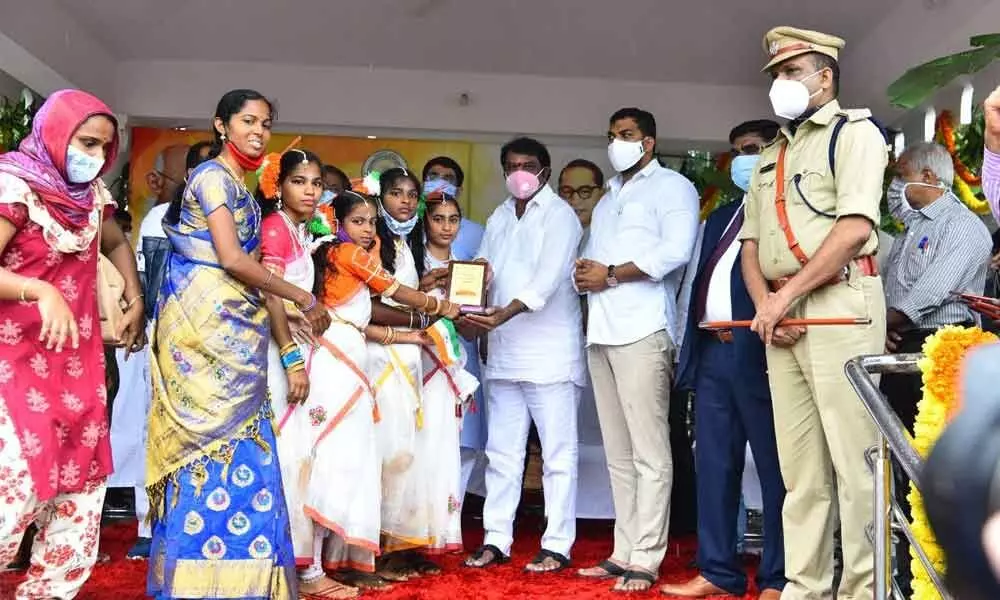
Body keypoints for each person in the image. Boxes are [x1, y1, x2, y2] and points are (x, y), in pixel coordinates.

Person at [146, 89, 331, 600]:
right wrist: (300, 294)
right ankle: (195, 582)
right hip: (200, 329)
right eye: (248, 121)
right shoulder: (211, 178)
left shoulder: (241, 188)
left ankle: (236, 578)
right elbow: (230, 257)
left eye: (266, 124)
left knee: (242, 445)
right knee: (204, 446)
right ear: (221, 125)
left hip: (236, 332)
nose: (258, 131)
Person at [739, 27, 889, 600]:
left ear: (825, 76)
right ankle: (805, 587)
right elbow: (751, 245)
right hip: (784, 315)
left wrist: (785, 298)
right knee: (799, 471)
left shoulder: (854, 133)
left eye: (792, 71)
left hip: (840, 307)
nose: (781, 84)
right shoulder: (773, 151)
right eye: (775, 75)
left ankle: (859, 590)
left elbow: (854, 229)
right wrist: (767, 306)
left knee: (855, 467)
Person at [0, 89, 145, 599]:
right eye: (87, 142)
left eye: (106, 149)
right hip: (13, 366)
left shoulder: (93, 197)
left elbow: (115, 241)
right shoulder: (13, 186)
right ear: (56, 134)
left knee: (78, 507)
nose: (97, 157)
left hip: (78, 368)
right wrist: (37, 289)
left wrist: (133, 291)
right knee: (11, 495)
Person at [574, 108, 699, 592]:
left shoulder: (672, 188)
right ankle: (622, 550)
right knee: (618, 454)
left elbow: (676, 252)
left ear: (648, 142)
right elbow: (597, 260)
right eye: (611, 135)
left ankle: (647, 555)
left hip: (643, 330)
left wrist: (609, 274)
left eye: (625, 135)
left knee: (650, 452)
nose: (616, 143)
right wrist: (585, 272)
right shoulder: (608, 198)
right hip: (601, 332)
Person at [662, 119, 786, 600]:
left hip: (762, 354)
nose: (743, 159)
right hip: (713, 354)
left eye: (753, 149)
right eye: (737, 151)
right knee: (713, 465)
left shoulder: (785, 214)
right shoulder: (722, 216)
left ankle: (777, 577)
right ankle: (718, 571)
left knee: (778, 471)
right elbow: (696, 285)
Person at [462, 137, 585, 574]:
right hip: (504, 354)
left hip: (550, 354)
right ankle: (497, 538)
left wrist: (500, 316)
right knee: (502, 454)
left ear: (545, 171)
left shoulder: (561, 216)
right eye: (512, 165)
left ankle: (557, 544)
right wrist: (460, 287)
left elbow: (546, 282)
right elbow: (482, 269)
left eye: (528, 165)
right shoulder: (499, 215)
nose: (520, 172)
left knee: (557, 456)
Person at [880, 141, 992, 595]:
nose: (894, 185)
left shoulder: (962, 226)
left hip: (940, 350)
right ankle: (906, 574)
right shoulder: (910, 228)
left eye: (901, 172)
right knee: (899, 460)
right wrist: (883, 329)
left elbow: (927, 292)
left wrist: (882, 323)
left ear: (927, 176)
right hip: (901, 347)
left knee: (931, 466)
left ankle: (939, 576)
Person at [366, 167, 459, 580]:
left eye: (410, 195)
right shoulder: (372, 243)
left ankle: (403, 547)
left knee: (409, 452)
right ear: (379, 198)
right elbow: (366, 305)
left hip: (409, 355)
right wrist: (425, 309)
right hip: (381, 354)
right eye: (395, 193)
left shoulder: (405, 244)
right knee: (388, 452)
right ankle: (377, 551)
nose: (404, 201)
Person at [420, 159, 487, 501]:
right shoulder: (408, 256)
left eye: (453, 219)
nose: (446, 227)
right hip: (418, 355)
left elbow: (474, 330)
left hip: (459, 357)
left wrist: (463, 312)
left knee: (462, 440)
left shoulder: (470, 263)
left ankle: (450, 520)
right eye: (438, 219)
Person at [421, 156, 484, 261]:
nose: (439, 183)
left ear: (458, 191)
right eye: (433, 177)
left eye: (448, 179)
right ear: (423, 185)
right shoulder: (405, 227)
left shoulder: (477, 233)